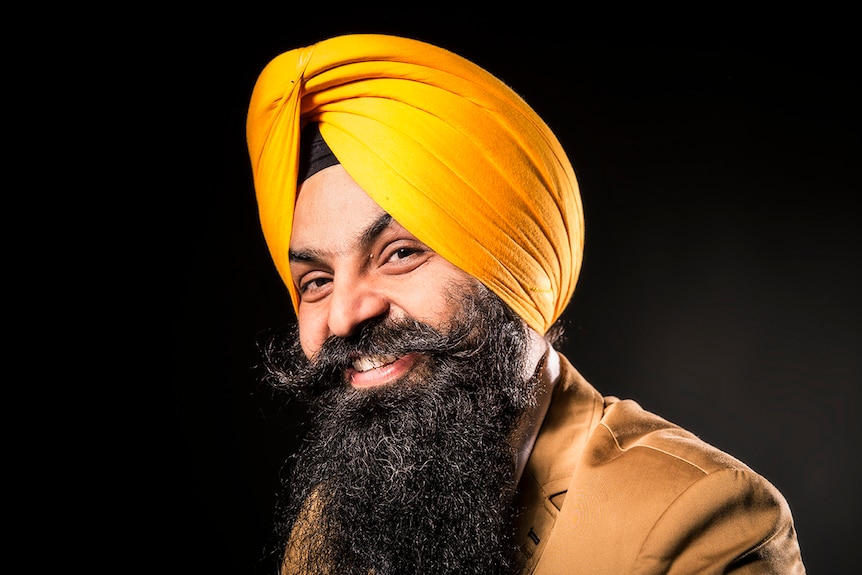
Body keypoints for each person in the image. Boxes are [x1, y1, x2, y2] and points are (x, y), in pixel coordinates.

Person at [245, 33, 806, 575]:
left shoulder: (696, 519)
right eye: (316, 280)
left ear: (510, 267)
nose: (343, 315)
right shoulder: (332, 521)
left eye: (399, 254)